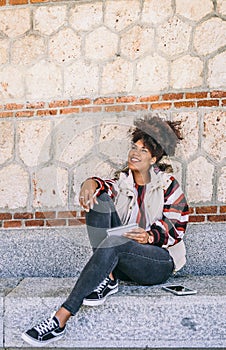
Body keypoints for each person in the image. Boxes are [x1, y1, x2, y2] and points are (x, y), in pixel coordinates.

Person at [22, 116, 189, 346]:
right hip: (123, 260)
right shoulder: (122, 182)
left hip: (157, 263)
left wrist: (150, 236)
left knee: (117, 242)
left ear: (153, 159)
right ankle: (108, 278)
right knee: (98, 200)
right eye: (134, 146)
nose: (135, 153)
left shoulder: (168, 186)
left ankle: (60, 318)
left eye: (143, 150)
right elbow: (104, 187)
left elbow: (176, 227)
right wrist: (89, 183)